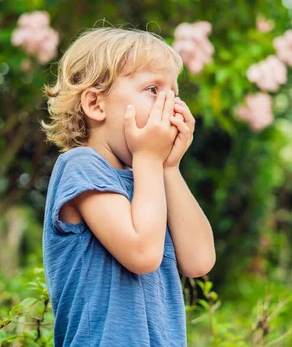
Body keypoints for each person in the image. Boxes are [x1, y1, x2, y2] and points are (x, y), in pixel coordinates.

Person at [41, 27, 216, 346]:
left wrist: (169, 167)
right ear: (96, 104)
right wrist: (149, 158)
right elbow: (142, 253)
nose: (171, 105)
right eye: (153, 89)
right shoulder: (81, 166)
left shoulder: (148, 176)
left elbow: (198, 261)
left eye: (173, 94)